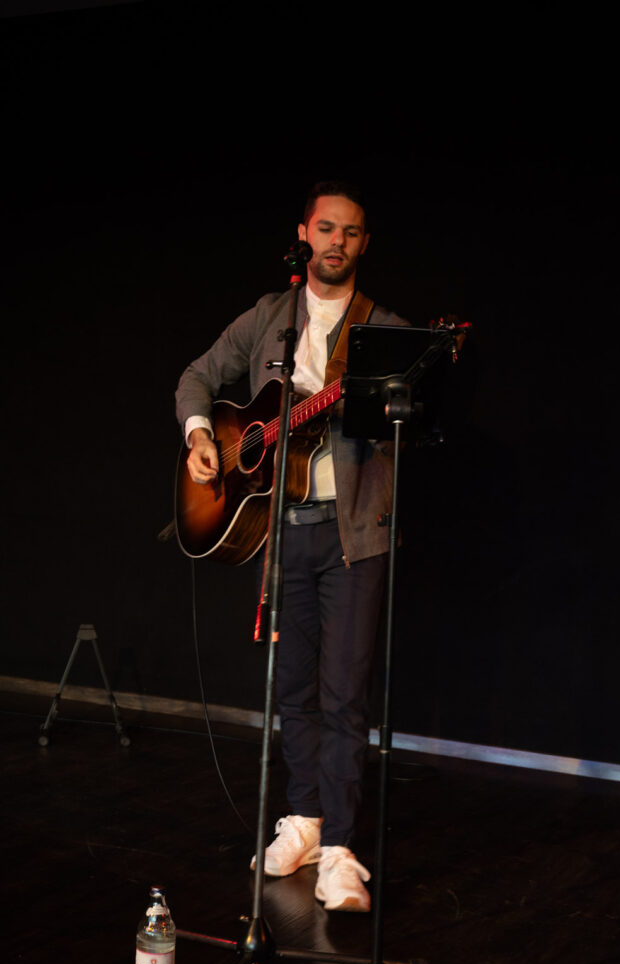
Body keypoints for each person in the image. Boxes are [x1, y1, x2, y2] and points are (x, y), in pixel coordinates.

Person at [175, 181, 407, 911]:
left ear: (363, 245)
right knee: (290, 691)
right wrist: (202, 437)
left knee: (343, 696)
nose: (336, 241)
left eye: (352, 232)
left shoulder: (384, 332)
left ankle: (338, 849)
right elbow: (197, 378)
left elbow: (409, 422)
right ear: (304, 233)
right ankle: (302, 820)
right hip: (280, 536)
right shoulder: (269, 318)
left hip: (351, 539)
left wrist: (392, 399)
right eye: (326, 228)